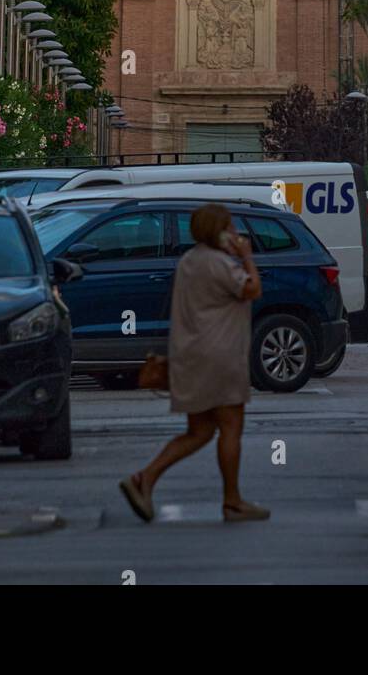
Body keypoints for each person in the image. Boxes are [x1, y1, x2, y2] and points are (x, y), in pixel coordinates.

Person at [119, 203, 270, 524]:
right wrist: (247, 256)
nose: (234, 234)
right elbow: (252, 289)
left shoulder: (190, 260)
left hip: (192, 356)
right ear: (217, 231)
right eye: (229, 228)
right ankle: (232, 502)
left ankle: (143, 479)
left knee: (199, 430)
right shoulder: (219, 263)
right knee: (231, 426)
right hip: (221, 357)